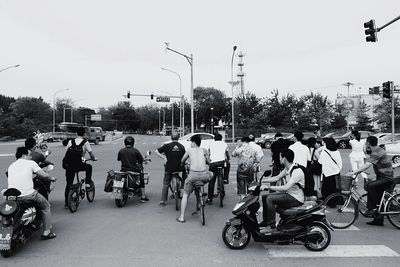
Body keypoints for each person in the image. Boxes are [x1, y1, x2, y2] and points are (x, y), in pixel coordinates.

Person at [7, 147, 57, 240]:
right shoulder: (31, 163)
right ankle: (47, 232)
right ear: (23, 155)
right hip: (28, 195)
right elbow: (44, 175)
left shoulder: (11, 166)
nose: (31, 157)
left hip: (12, 196)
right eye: (29, 155)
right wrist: (52, 178)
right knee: (46, 206)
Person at [347, 136, 395, 226]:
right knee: (378, 196)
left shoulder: (377, 152)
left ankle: (371, 209)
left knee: (370, 186)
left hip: (387, 178)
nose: (365, 144)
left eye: (366, 142)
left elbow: (367, 165)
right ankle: (378, 220)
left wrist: (354, 172)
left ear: (369, 143)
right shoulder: (377, 150)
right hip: (382, 176)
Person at [258, 149, 305, 232]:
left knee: (270, 199)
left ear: (285, 159)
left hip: (296, 198)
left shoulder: (296, 171)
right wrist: (261, 180)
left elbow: (286, 187)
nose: (279, 159)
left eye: (280, 157)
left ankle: (271, 226)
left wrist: (269, 188)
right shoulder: (287, 168)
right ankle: (266, 221)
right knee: (265, 196)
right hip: (289, 195)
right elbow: (277, 177)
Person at [177, 135, 213, 223]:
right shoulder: (204, 150)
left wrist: (183, 163)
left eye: (191, 143)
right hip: (204, 176)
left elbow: (182, 160)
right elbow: (209, 161)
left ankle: (181, 217)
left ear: (193, 142)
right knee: (211, 174)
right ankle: (200, 195)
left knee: (185, 194)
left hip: (193, 176)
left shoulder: (189, 150)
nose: (190, 144)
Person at [64, 126, 97, 209]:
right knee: (89, 167)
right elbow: (91, 154)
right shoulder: (85, 142)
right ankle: (88, 183)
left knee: (69, 184)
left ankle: (66, 203)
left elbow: (66, 153)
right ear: (84, 134)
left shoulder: (70, 142)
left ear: (76, 133)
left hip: (69, 166)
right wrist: (93, 159)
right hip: (79, 165)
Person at [156, 132, 186, 207]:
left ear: (171, 138)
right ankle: (182, 186)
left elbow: (156, 151)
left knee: (166, 184)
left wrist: (164, 157)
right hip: (179, 168)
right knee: (185, 173)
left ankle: (162, 201)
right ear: (178, 138)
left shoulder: (166, 146)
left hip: (169, 168)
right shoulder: (182, 147)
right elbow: (184, 157)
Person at [118, 135, 149, 203]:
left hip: (123, 170)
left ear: (125, 142)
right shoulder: (135, 151)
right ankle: (143, 197)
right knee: (141, 178)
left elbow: (119, 159)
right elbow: (140, 160)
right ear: (133, 143)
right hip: (134, 170)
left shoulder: (121, 151)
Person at [205, 133, 229, 205]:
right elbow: (227, 153)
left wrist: (209, 161)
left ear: (214, 139)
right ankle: (225, 178)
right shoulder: (224, 144)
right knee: (228, 164)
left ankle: (210, 198)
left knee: (212, 181)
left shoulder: (211, 144)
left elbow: (208, 154)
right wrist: (228, 158)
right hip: (222, 163)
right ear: (221, 139)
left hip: (213, 164)